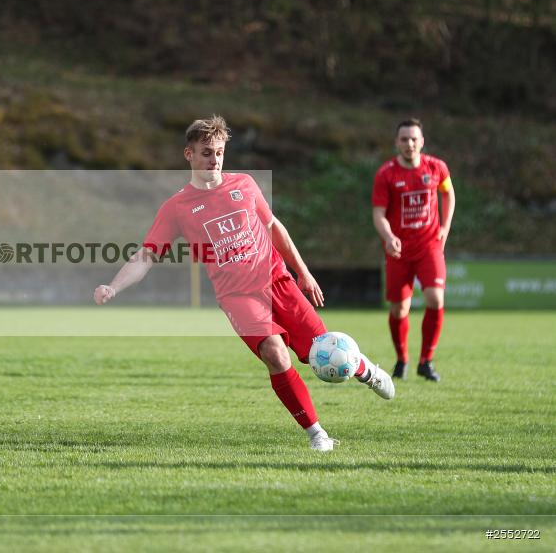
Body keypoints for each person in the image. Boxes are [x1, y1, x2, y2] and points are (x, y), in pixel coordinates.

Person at [94, 116, 394, 452]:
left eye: (219, 152)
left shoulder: (246, 185)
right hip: (238, 297)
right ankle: (317, 433)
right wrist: (114, 286)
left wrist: (304, 272)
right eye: (206, 152)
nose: (215, 159)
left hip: (279, 282)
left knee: (319, 351)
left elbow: (274, 228)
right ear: (188, 155)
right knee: (275, 354)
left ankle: (366, 370)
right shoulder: (176, 207)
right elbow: (146, 256)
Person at [372, 118, 455, 382]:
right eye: (404, 139)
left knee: (435, 299)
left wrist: (445, 226)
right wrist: (388, 236)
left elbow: (449, 194)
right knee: (399, 310)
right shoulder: (386, 174)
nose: (409, 143)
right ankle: (402, 359)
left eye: (414, 139)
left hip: (429, 245)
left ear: (422, 141)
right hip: (398, 251)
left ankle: (426, 361)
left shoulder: (436, 167)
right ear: (397, 142)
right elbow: (378, 214)